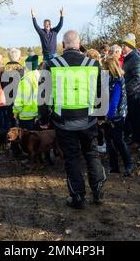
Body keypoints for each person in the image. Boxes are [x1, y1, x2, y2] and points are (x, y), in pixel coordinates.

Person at [40, 30, 106, 209]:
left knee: (72, 158)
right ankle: (98, 191)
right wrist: (101, 116)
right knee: (92, 154)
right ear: (79, 43)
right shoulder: (93, 64)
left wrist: (44, 119)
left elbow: (43, 95)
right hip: (89, 120)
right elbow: (102, 92)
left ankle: (78, 197)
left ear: (63, 44)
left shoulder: (51, 64)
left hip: (64, 122)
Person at [102, 57, 132, 176]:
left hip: (117, 115)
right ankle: (114, 166)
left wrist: (108, 116)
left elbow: (114, 101)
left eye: (105, 67)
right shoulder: (107, 79)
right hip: (108, 115)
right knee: (109, 141)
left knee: (118, 141)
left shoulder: (117, 80)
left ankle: (128, 165)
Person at [122, 33, 140, 150]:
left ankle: (139, 141)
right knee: (131, 118)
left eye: (124, 45)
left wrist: (126, 90)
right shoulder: (128, 57)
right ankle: (134, 138)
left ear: (130, 45)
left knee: (137, 119)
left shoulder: (136, 58)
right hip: (130, 94)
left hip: (134, 94)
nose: (122, 47)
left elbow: (138, 78)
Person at [13, 58, 40, 131]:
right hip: (37, 115)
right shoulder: (39, 78)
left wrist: (15, 112)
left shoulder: (25, 81)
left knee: (26, 140)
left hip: (25, 116)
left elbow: (20, 100)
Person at [2, 48, 25, 130]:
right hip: (19, 99)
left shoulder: (3, 70)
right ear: (19, 58)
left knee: (10, 121)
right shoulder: (22, 70)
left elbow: (2, 85)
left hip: (8, 98)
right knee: (20, 122)